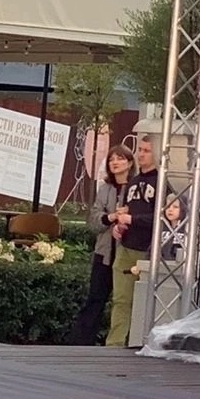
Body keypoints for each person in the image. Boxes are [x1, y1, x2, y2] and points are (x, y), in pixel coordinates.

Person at [68, 145, 132, 346]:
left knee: (123, 301)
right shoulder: (105, 189)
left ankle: (121, 341)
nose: (115, 162)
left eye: (120, 158)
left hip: (127, 254)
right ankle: (80, 343)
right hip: (104, 253)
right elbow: (94, 220)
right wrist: (110, 217)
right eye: (111, 159)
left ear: (130, 163)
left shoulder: (136, 189)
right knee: (95, 299)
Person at [108, 135, 158, 348]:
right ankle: (115, 344)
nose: (141, 154)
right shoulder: (133, 182)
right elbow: (126, 211)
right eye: (140, 150)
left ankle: (139, 342)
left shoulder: (162, 182)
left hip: (148, 250)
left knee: (144, 301)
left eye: (146, 150)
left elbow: (163, 217)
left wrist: (133, 219)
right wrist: (118, 226)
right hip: (126, 247)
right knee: (121, 299)